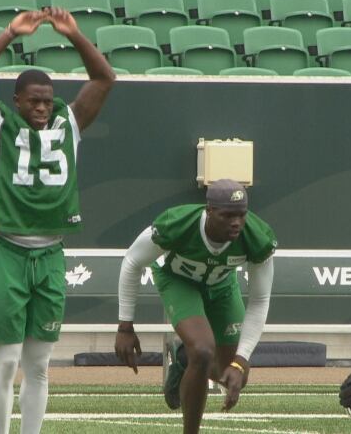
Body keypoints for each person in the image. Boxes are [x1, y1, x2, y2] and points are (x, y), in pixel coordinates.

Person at [0, 8, 115, 434]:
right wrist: (10, 33)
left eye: (48, 100)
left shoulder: (70, 121)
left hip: (50, 253)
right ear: (16, 101)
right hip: (7, 250)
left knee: (40, 363)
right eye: (34, 100)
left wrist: (76, 36)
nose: (43, 107)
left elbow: (104, 79)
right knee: (6, 361)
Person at [115, 179, 277, 434]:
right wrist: (125, 325)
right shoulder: (176, 224)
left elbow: (260, 300)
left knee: (236, 377)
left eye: (241, 215)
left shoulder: (257, 237)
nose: (236, 222)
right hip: (178, 279)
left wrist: (240, 361)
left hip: (222, 284)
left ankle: (183, 359)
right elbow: (133, 260)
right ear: (209, 211)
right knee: (202, 350)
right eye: (227, 215)